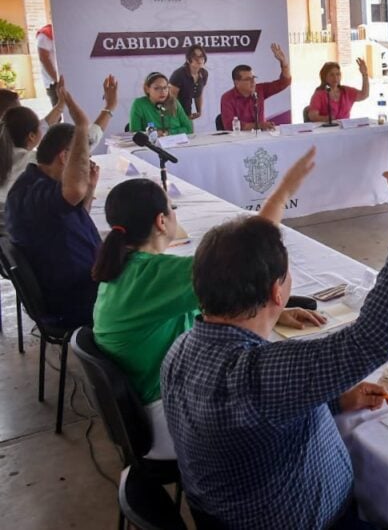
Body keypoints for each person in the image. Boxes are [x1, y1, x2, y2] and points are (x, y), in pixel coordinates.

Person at [161, 123, 388, 530]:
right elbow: (376, 335)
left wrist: (334, 400)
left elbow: (250, 424)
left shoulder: (181, 348)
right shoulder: (257, 377)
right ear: (279, 293)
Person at [91, 150, 326, 460]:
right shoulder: (150, 277)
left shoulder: (125, 270)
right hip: (166, 421)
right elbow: (247, 251)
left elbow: (206, 308)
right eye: (173, 208)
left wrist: (277, 313)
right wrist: (282, 193)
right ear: (162, 222)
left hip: (149, 408)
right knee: (299, 405)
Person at [5, 84, 101, 328]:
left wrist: (88, 192)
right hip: (75, 300)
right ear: (64, 157)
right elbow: (73, 191)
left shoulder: (41, 185)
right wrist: (81, 127)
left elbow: (69, 220)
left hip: (76, 285)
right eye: (82, 158)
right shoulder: (33, 193)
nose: (86, 164)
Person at [220, 43, 292, 131]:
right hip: (240, 141)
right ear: (237, 83)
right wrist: (259, 125)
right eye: (248, 79)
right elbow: (229, 126)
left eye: (253, 78)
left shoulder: (259, 89)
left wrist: (284, 64)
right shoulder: (227, 98)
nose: (253, 81)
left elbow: (284, 82)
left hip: (263, 137)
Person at [129, 72, 193, 135]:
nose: (162, 92)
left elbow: (189, 129)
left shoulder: (174, 102)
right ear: (147, 89)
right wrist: (151, 134)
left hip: (176, 143)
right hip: (151, 144)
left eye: (165, 88)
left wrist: (168, 133)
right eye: (157, 88)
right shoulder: (139, 104)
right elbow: (135, 133)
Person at [308, 58, 370, 123]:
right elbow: (312, 116)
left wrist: (364, 74)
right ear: (324, 77)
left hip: (346, 129)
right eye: (331, 75)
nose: (335, 78)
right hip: (327, 130)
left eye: (338, 74)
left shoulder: (346, 91)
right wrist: (327, 118)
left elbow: (364, 94)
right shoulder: (319, 94)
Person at [168, 45, 209, 120]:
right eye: (195, 57)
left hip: (187, 113)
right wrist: (181, 117)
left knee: (190, 130)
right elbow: (171, 100)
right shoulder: (178, 74)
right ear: (188, 59)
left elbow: (198, 94)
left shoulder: (204, 73)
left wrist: (199, 111)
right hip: (173, 114)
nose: (199, 59)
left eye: (201, 56)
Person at [36, 23, 60, 106]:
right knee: (58, 113)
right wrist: (57, 79)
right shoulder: (45, 34)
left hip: (66, 80)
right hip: (54, 82)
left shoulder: (63, 31)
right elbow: (43, 58)